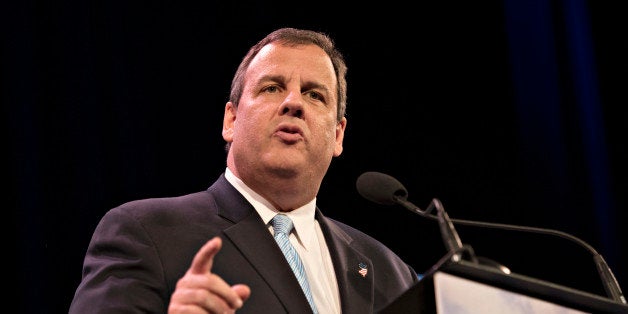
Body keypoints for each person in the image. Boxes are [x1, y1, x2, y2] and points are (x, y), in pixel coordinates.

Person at [69, 27, 419, 314]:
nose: (293, 103)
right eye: (272, 88)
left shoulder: (390, 271)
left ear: (338, 135)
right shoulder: (147, 232)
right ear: (231, 120)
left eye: (315, 95)